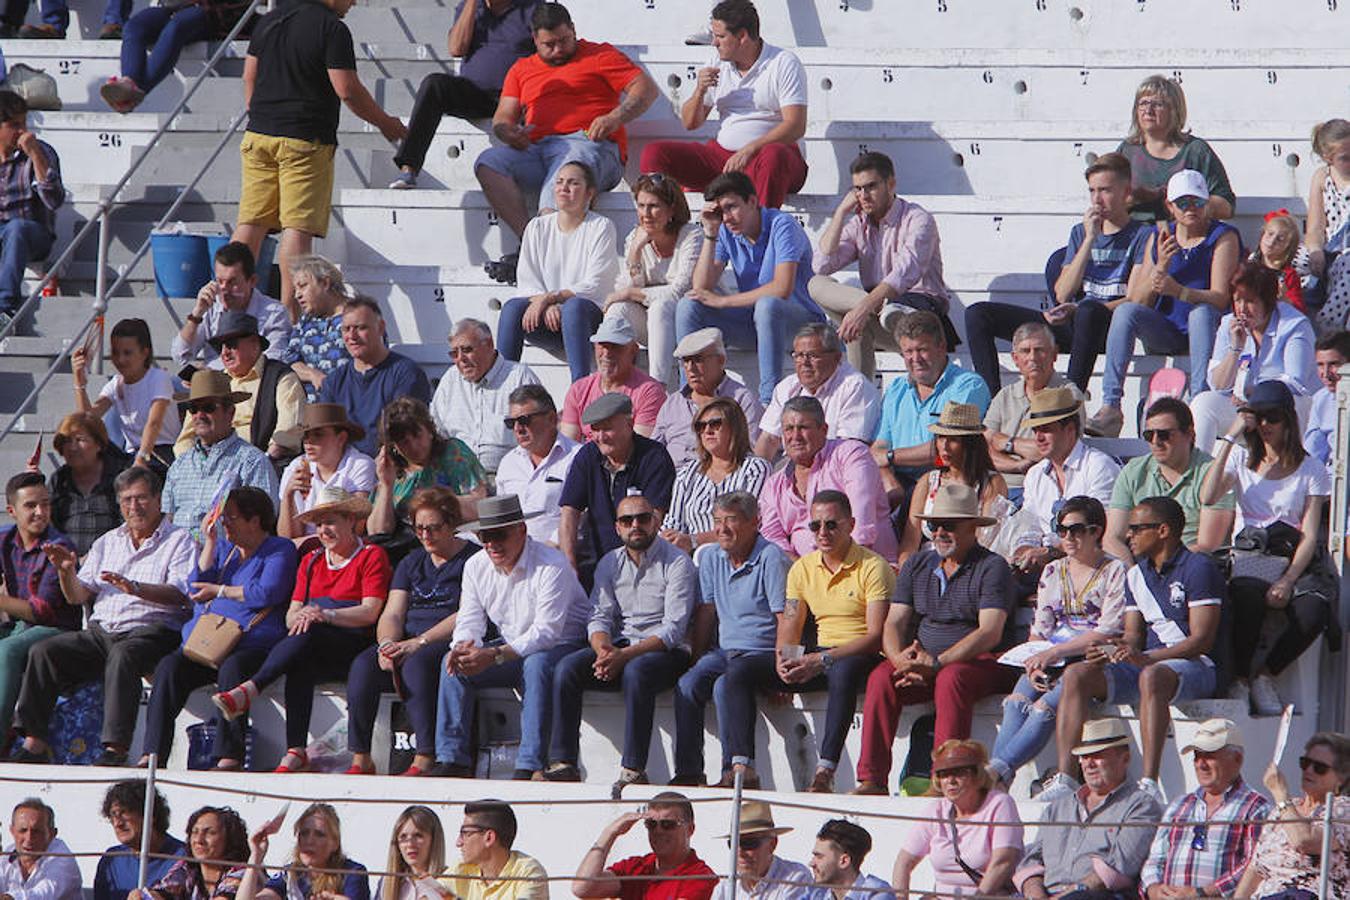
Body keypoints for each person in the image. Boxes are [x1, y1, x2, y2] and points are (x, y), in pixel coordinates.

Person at [231, 0, 405, 322]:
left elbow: (249, 76)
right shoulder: (332, 28)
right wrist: (386, 124)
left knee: (250, 223)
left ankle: (225, 310)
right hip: (304, 139)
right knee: (297, 229)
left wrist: (260, 115)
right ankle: (290, 320)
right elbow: (347, 89)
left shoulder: (269, 21)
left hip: (259, 134)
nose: (353, 2)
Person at [1048, 497, 1227, 804]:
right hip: (1152, 663)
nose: (1126, 536)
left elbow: (1201, 641)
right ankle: (1065, 779)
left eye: (1136, 529)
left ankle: (1149, 782)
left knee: (1152, 676)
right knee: (1077, 674)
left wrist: (1146, 658)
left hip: (1196, 665)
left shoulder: (1199, 568)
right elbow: (1133, 635)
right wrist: (1110, 650)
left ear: (1162, 531)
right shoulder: (1136, 575)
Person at [12, 468, 194, 767]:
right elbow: (77, 596)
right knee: (45, 651)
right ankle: (33, 741)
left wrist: (135, 588)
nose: (134, 507)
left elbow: (180, 594)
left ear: (158, 499)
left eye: (141, 499)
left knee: (124, 654)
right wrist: (66, 571)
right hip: (102, 631)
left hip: (151, 629)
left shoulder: (179, 539)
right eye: (126, 500)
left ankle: (116, 747)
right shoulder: (108, 541)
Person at [211, 487, 389, 772]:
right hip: (310, 642)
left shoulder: (371, 555)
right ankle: (295, 749)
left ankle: (253, 688)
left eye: (330, 522)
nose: (323, 530)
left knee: (307, 636)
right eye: (318, 524)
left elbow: (369, 612)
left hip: (352, 642)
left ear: (351, 520)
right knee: (300, 654)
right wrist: (306, 615)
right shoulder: (312, 560)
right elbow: (291, 616)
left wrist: (324, 614)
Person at [476, 2, 657, 283]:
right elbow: (503, 117)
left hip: (591, 146)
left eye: (564, 40)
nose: (558, 49)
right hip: (537, 148)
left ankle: (540, 264)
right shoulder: (521, 68)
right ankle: (531, 247)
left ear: (573, 30)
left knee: (563, 176)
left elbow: (646, 90)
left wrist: (614, 118)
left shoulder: (600, 54)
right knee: (488, 162)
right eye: (549, 44)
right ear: (534, 39)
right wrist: (508, 132)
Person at [723, 490, 890, 793]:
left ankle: (825, 770)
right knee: (739, 670)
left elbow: (875, 636)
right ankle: (743, 766)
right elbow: (790, 620)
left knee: (842, 670)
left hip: (858, 653)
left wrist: (821, 659)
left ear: (851, 524)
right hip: (818, 656)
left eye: (831, 525)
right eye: (815, 526)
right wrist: (785, 660)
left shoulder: (872, 566)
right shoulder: (802, 567)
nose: (822, 533)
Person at [854, 484, 1015, 796]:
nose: (940, 532)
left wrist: (938, 663)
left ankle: (943, 779)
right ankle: (871, 779)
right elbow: (894, 622)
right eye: (934, 525)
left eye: (949, 525)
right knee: (880, 678)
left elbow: (989, 632)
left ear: (972, 528)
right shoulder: (916, 564)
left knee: (952, 679)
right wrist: (898, 659)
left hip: (982, 662)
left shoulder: (992, 567)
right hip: (925, 659)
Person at [1200, 380, 1334, 717]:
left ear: (1288, 420)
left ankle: (1264, 674)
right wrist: (1230, 437)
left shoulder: (1311, 470)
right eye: (1257, 417)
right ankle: (1241, 679)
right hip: (1252, 554)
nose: (1264, 426)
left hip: (1291, 554)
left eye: (1272, 418)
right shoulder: (1242, 460)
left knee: (1314, 610)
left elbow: (1309, 532)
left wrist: (1288, 579)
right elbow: (1207, 496)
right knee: (1245, 595)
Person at [965, 152, 1149, 398]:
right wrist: (1090, 239)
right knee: (978, 314)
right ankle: (991, 399)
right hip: (1075, 324)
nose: (1097, 200)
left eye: (1105, 190)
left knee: (1089, 309)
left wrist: (1081, 308)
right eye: (1092, 191)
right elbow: (1063, 292)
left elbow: (1135, 298)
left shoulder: (1143, 235)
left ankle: (1070, 398)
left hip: (1108, 328)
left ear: (1126, 192)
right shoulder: (1080, 232)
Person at [435, 494, 590, 780]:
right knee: (453, 661)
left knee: (537, 664)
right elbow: (469, 618)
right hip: (515, 646)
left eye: (499, 535)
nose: (491, 543)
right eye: (485, 536)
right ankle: (451, 759)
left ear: (522, 530)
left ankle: (530, 763)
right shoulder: (476, 565)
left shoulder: (552, 565)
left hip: (565, 646)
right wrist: (464, 648)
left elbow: (547, 633)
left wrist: (494, 655)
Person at [545, 494, 695, 787]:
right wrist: (603, 651)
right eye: (627, 520)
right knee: (566, 669)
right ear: (617, 528)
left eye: (642, 518)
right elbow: (599, 617)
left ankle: (634, 768)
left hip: (667, 652)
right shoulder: (608, 563)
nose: (635, 525)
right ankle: (563, 762)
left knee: (638, 671)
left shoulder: (678, 562)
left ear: (656, 521)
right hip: (621, 646)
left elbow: (673, 630)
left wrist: (622, 657)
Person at [141, 487, 296, 770]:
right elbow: (194, 586)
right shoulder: (225, 550)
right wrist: (210, 543)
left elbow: (267, 592)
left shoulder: (279, 549)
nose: (224, 524)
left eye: (231, 518)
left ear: (255, 520)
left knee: (233, 669)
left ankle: (229, 755)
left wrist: (221, 591)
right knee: (168, 668)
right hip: (208, 643)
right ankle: (152, 754)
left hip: (251, 644)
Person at [1085, 169, 1240, 438]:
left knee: (1201, 313)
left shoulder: (1222, 236)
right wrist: (1160, 270)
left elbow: (1219, 297)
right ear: (1170, 206)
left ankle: (1199, 401)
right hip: (1166, 327)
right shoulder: (1160, 237)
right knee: (1126, 311)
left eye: (1198, 202)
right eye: (1183, 203)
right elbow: (1142, 299)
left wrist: (1179, 291)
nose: (1191, 209)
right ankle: (1111, 406)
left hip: (1205, 329)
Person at [989, 496, 1127, 786]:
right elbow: (1041, 627)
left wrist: (1054, 653)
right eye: (1061, 530)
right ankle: (998, 775)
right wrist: (1036, 658)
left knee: (1044, 707)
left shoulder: (1114, 570)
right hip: (1051, 654)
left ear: (1096, 531)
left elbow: (1108, 630)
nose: (1068, 537)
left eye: (1076, 530)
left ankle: (997, 772)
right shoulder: (1053, 570)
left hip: (1091, 655)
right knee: (1016, 702)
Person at [347, 488, 479, 777]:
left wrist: (418, 643)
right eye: (419, 528)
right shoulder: (411, 562)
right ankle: (360, 756)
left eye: (434, 528)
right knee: (363, 666)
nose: (426, 535)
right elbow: (393, 611)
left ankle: (425, 754)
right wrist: (387, 643)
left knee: (417, 664)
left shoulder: (473, 560)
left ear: (452, 524)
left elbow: (469, 612)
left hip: (447, 637)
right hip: (407, 636)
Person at [675, 171, 825, 406]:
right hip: (756, 323)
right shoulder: (725, 230)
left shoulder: (782, 224)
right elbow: (701, 287)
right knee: (688, 305)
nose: (727, 217)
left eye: (732, 207)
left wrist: (723, 301)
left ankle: (769, 401)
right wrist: (710, 233)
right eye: (721, 210)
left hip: (800, 325)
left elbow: (781, 288)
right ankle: (689, 398)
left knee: (767, 305)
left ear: (753, 201)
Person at [639, 0, 807, 210]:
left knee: (774, 155)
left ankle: (761, 233)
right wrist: (699, 91)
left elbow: (796, 125)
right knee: (654, 153)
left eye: (720, 37)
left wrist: (751, 149)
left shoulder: (783, 62)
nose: (713, 43)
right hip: (724, 160)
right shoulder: (716, 62)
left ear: (742, 37)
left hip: (772, 161)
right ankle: (662, 230)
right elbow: (690, 123)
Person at [671, 491, 789, 788]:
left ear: (754, 523)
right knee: (688, 683)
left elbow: (786, 619)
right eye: (717, 521)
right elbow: (707, 612)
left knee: (726, 685)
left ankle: (734, 771)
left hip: (761, 653)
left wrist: (785, 669)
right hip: (726, 651)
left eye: (731, 521)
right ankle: (689, 772)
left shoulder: (771, 557)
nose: (722, 529)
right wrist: (696, 659)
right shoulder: (711, 557)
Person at [812, 150, 957, 380]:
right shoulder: (859, 224)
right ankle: (862, 399)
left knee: (859, 318)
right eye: (858, 189)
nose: (863, 195)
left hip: (921, 313)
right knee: (816, 284)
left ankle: (873, 314)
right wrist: (840, 213)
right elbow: (821, 265)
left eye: (870, 186)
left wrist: (862, 308)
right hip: (877, 312)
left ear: (891, 184)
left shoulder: (918, 219)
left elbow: (905, 271)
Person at [388, 0, 538, 189]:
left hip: (516, 96)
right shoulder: (469, 7)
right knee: (434, 84)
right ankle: (408, 168)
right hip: (475, 94)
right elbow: (456, 49)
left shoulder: (532, 7)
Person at [496, 161, 620, 383]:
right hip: (546, 317)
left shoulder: (601, 227)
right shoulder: (537, 227)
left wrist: (553, 297)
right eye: (560, 182)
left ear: (589, 193)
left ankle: (579, 389)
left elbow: (596, 283)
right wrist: (547, 304)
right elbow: (527, 279)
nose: (564, 188)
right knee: (513, 308)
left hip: (586, 317)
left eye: (573, 183)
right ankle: (502, 386)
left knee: (574, 307)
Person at [1013, 719, 1164, 900]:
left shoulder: (1141, 806)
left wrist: (1063, 896)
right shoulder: (1059, 808)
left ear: (1125, 758)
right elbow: (1031, 861)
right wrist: (1035, 894)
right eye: (1084, 756)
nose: (1089, 763)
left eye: (1098, 755)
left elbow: (1118, 869)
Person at [1191, 259, 1318, 448]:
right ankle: (1198, 473)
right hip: (1246, 410)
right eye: (1237, 300)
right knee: (1203, 403)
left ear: (1268, 302)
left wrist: (1251, 392)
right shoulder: (1229, 324)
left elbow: (1296, 382)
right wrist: (1235, 349)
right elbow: (1217, 385)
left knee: (1295, 403)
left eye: (1250, 301)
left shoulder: (1295, 325)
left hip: (1290, 411)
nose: (1242, 308)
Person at [1139, 719, 1271, 899]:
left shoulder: (1255, 808)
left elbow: (1254, 866)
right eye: (1197, 756)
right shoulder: (1180, 805)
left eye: (1209, 756)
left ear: (1237, 759)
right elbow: (1156, 857)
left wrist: (1203, 893)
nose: (1200, 764)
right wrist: (1153, 888)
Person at [871, 311, 990, 505]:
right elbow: (880, 446)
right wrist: (888, 479)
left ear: (941, 347)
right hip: (898, 482)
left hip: (947, 483)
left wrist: (889, 458)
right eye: (908, 352)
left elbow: (947, 449)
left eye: (922, 349)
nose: (915, 358)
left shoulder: (968, 386)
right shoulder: (896, 388)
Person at [558, 393, 676, 588]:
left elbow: (654, 519)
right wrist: (569, 565)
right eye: (595, 429)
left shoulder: (654, 457)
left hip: (645, 564)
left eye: (607, 428)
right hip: (596, 564)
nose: (600, 436)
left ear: (629, 425)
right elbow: (569, 512)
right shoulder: (587, 455)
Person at [761, 396, 896, 562]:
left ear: (824, 429)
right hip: (802, 575)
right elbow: (772, 541)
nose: (795, 436)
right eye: (789, 429)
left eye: (803, 427)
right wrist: (806, 572)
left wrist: (829, 572)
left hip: (863, 566)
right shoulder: (774, 484)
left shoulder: (851, 455)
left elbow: (861, 529)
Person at [604, 173, 706, 387]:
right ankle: (612, 383)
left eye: (653, 206)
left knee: (660, 306)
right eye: (641, 206)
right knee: (618, 309)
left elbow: (679, 292)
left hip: (691, 323)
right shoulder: (635, 237)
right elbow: (630, 287)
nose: (646, 214)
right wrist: (635, 251)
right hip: (656, 327)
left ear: (671, 209)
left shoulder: (692, 235)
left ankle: (657, 387)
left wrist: (630, 293)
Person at [1103, 396, 1235, 561]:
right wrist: (1133, 573)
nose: (1156, 441)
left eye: (1164, 435)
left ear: (1189, 434)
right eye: (1149, 435)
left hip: (1193, 568)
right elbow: (1112, 538)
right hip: (1141, 568)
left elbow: (1207, 546)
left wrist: (1159, 570)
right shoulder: (1133, 471)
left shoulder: (1213, 474)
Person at [0, 473, 80, 735]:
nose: (40, 512)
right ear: (12, 511)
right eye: (31, 505)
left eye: (45, 504)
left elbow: (41, 612)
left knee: (8, 650)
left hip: (57, 628)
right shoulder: (4, 542)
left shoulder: (58, 546)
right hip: (19, 625)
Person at [1012, 388, 1120, 583]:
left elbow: (1097, 530)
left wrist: (1050, 553)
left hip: (1089, 566)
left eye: (1046, 429)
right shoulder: (1035, 474)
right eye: (1035, 430)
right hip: (1046, 568)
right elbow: (1030, 525)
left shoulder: (1099, 466)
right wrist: (1025, 551)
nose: (1038, 437)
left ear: (1070, 429)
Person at [161, 370, 281, 541]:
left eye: (208, 407)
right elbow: (168, 518)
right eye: (194, 409)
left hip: (228, 562)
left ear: (230, 413)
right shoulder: (179, 464)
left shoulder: (252, 461)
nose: (199, 415)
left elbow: (263, 522)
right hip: (179, 560)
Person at [171, 311, 306, 461]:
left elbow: (287, 432)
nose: (224, 353)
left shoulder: (281, 377)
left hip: (262, 463)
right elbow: (185, 439)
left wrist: (263, 463)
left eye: (231, 345)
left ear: (254, 344)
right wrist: (191, 467)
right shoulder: (214, 382)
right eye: (220, 348)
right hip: (212, 465)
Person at [892, 740, 1022, 897]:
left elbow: (1003, 861)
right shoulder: (936, 810)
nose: (951, 781)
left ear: (977, 775)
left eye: (959, 773)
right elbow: (904, 862)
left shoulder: (1000, 804)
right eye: (944, 774)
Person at [1236, 732, 1350, 899]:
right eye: (1305, 763)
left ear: (1341, 778)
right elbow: (1256, 868)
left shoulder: (1342, 810)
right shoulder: (1285, 809)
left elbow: (1304, 841)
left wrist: (1280, 793)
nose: (1309, 771)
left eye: (1319, 768)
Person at [317, 296, 432, 456]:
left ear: (381, 328)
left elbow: (405, 434)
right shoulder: (333, 382)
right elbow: (325, 437)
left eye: (360, 327)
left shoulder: (406, 373)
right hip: (345, 470)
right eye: (346, 329)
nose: (352, 336)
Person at [896, 401, 1007, 566]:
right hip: (927, 565)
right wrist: (909, 570)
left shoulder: (991, 483)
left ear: (970, 444)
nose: (944, 446)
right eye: (941, 438)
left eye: (953, 439)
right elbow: (910, 541)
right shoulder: (928, 481)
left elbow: (987, 539)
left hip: (972, 566)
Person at [1115, 75, 1235, 223]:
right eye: (1143, 103)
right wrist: (1132, 198)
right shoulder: (1127, 151)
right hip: (1136, 237)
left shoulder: (1195, 151)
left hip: (1182, 237)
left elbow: (1226, 205)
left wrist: (1183, 202)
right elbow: (1109, 197)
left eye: (1157, 104)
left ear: (1174, 110)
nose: (1148, 110)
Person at [430, 318, 541, 474]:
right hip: (458, 478)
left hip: (506, 478)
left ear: (489, 344)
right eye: (454, 353)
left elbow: (540, 435)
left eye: (467, 350)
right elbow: (435, 431)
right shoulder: (450, 380)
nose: (461, 359)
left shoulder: (519, 377)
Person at [100, 0, 256, 111]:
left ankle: (134, 90)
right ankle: (129, 82)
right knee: (133, 28)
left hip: (211, 9)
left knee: (175, 28)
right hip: (172, 7)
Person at [754, 322, 880, 460]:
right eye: (799, 355)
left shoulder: (855, 387)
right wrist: (756, 474)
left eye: (812, 355)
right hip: (793, 466)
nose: (804, 362)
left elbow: (848, 448)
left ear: (836, 358)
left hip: (836, 468)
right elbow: (769, 439)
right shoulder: (787, 386)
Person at [661, 398, 770, 555]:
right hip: (690, 559)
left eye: (715, 424)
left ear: (734, 428)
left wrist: (694, 540)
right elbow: (673, 522)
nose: (707, 431)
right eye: (700, 426)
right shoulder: (687, 473)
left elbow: (745, 524)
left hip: (738, 555)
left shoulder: (754, 469)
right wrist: (668, 537)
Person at [71, 317, 180, 473]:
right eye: (115, 353)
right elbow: (88, 419)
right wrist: (79, 381)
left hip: (160, 455)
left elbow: (154, 422)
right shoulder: (116, 383)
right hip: (130, 457)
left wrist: (141, 458)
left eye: (127, 353)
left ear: (144, 353)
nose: (120, 360)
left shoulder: (158, 378)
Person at [368, 397, 488, 539]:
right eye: (404, 442)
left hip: (453, 540)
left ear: (430, 431)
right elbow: (378, 532)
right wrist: (386, 485)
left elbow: (480, 505)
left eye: (417, 436)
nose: (413, 446)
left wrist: (434, 503)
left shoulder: (452, 453)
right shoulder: (394, 474)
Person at [982, 322, 1086, 477]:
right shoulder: (1005, 396)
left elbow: (1053, 449)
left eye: (1040, 350)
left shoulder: (1068, 395)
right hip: (998, 486)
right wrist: (1017, 465)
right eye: (1025, 351)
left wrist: (1007, 443)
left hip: (1047, 484)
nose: (1033, 357)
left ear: (1054, 354)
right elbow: (983, 448)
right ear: (1015, 359)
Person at [172, 242, 292, 373]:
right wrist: (196, 314)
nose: (224, 289)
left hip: (251, 383)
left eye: (232, 282)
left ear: (252, 281)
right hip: (210, 380)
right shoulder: (211, 306)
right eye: (220, 281)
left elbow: (274, 361)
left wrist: (219, 375)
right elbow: (180, 356)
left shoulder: (274, 313)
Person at [652, 327, 763, 467]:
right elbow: (654, 452)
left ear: (721, 361)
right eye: (686, 361)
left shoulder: (742, 400)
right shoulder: (672, 403)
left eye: (698, 360)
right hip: (672, 481)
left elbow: (750, 455)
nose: (690, 368)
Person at [572, 793, 717, 900]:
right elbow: (582, 889)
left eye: (668, 824)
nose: (658, 831)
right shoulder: (635, 867)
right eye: (651, 824)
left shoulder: (701, 877)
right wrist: (610, 833)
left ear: (690, 829)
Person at [0, 92, 62, 337]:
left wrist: (35, 156)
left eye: (23, 123)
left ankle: (4, 310)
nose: (21, 131)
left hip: (33, 233)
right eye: (14, 125)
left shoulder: (41, 151)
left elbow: (54, 200)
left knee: (16, 229)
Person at [494, 383, 580, 545]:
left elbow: (584, 515)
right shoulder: (508, 463)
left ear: (551, 419)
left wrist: (550, 546)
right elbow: (502, 517)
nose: (518, 429)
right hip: (514, 553)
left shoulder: (577, 457)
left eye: (524, 420)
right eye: (511, 423)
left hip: (560, 552)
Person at [558, 315, 665, 442]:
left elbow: (639, 447)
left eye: (615, 346)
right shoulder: (578, 390)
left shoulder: (649, 392)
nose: (607, 353)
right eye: (602, 345)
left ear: (633, 351)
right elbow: (569, 445)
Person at [278, 404, 375, 539]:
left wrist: (305, 542)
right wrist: (288, 494)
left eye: (318, 435)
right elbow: (287, 537)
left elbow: (355, 528)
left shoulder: (360, 465)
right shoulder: (295, 467)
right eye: (305, 435)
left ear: (341, 438)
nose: (308, 442)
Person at [235, 803, 370, 900]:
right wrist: (256, 856)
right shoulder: (290, 874)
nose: (309, 841)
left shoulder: (352, 871)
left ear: (335, 843)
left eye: (319, 834)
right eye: (304, 833)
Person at [47, 411, 130, 556]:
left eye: (80, 440)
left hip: (112, 559)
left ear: (98, 444)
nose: (72, 447)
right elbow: (49, 526)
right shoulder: (59, 480)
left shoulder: (120, 475)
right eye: (67, 441)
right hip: (69, 563)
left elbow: (129, 525)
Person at [92, 781, 187, 900]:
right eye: (113, 815)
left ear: (150, 815)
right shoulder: (111, 859)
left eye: (124, 813)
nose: (118, 823)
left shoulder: (183, 857)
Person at [442, 801, 548, 900]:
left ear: (489, 838)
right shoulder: (461, 869)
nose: (458, 843)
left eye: (465, 833)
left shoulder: (528, 872)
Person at [143, 806, 251, 900]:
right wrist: (143, 895)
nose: (199, 840)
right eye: (194, 832)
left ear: (230, 839)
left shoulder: (243, 872)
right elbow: (163, 892)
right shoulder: (187, 867)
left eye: (210, 833)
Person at [282, 254, 349, 402]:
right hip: (310, 414)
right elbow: (289, 361)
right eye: (295, 289)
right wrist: (312, 375)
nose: (297, 295)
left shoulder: (358, 316)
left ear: (325, 283)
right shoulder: (306, 321)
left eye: (303, 286)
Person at [710, 801, 810, 900]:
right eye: (733, 844)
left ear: (772, 844)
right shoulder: (726, 887)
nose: (739, 852)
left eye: (749, 843)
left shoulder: (795, 878)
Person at [1306, 119, 1350, 333]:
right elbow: (1315, 226)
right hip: (1328, 251)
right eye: (1345, 158)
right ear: (1328, 158)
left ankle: (1326, 328)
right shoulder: (1322, 178)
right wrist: (1315, 250)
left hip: (1347, 254)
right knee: (1287, 260)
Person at [0, 798, 80, 900]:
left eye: (36, 831)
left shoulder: (63, 859)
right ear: (12, 831)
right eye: (23, 830)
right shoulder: (6, 858)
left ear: (52, 834)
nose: (29, 838)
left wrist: (10, 898)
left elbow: (43, 894)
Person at [804, 820, 895, 900]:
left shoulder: (876, 893)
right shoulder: (816, 893)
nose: (811, 863)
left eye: (819, 857)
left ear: (844, 861)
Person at [376, 806, 447, 900]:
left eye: (418, 835)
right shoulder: (387, 883)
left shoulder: (448, 881)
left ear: (434, 840)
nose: (410, 844)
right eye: (403, 837)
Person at [1304, 330, 1350, 467]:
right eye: (1320, 365)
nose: (1325, 374)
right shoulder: (1321, 399)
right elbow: (1313, 453)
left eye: (1334, 364)